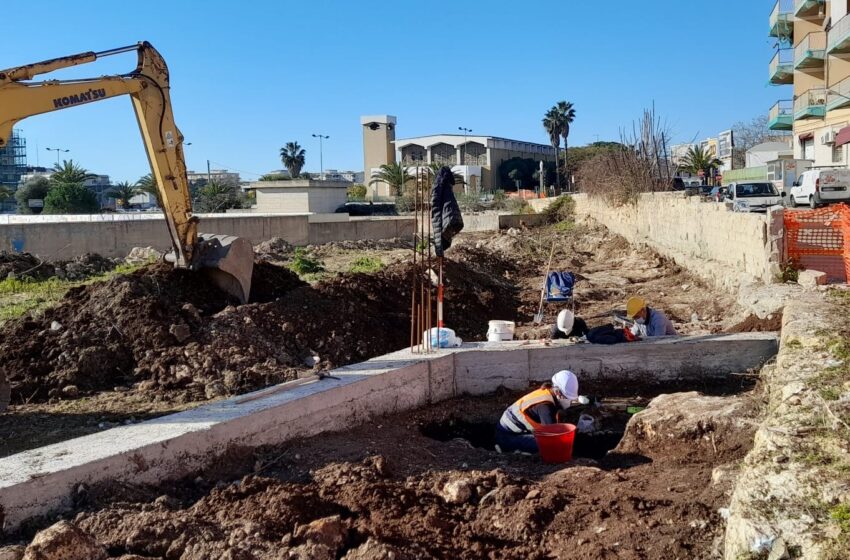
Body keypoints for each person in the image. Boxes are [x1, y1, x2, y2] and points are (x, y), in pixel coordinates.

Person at [495, 370, 580, 454]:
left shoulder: (547, 393)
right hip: (506, 437)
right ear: (558, 392)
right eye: (567, 398)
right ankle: (507, 450)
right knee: (549, 445)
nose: (569, 402)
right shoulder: (546, 407)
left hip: (512, 431)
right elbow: (551, 436)